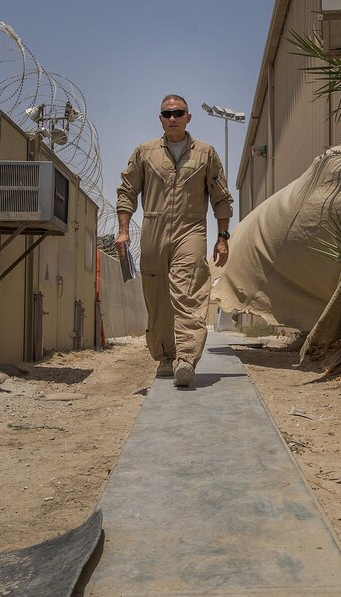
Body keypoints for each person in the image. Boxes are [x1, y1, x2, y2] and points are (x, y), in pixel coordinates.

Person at [115, 94, 234, 387]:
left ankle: (186, 359)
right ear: (160, 119)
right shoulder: (145, 152)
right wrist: (123, 231)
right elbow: (127, 191)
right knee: (157, 297)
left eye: (178, 113)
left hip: (190, 230)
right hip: (153, 230)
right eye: (167, 114)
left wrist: (222, 237)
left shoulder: (205, 153)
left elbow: (221, 198)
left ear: (188, 118)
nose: (172, 118)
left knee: (189, 291)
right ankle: (166, 357)